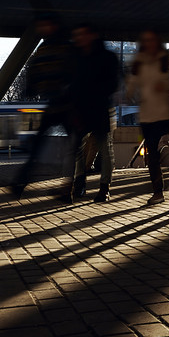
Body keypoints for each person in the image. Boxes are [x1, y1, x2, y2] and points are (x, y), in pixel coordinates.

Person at [12, 13, 73, 198]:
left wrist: (32, 87)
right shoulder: (49, 46)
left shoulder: (60, 47)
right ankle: (22, 181)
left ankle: (22, 182)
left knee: (51, 144)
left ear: (52, 26)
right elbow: (35, 68)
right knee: (71, 145)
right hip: (57, 103)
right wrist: (32, 86)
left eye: (44, 26)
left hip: (65, 104)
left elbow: (38, 68)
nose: (41, 30)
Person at [68, 23, 119, 203]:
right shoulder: (79, 56)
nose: (79, 39)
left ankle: (100, 187)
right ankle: (84, 184)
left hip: (98, 108)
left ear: (92, 36)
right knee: (82, 149)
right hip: (85, 109)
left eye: (82, 35)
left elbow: (113, 84)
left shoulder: (104, 57)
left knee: (103, 149)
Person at [126, 30, 169, 204]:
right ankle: (158, 191)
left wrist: (162, 86)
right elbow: (132, 82)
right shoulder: (139, 61)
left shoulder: (164, 59)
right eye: (146, 40)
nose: (149, 44)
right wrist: (127, 94)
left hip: (163, 113)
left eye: (152, 40)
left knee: (162, 148)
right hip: (147, 114)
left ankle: (166, 188)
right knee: (152, 154)